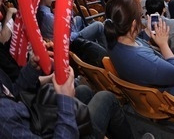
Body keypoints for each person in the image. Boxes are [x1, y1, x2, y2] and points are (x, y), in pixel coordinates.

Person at [0, 54, 134, 139]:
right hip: (55, 132)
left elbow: (13, 92)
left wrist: (31, 70)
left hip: (36, 119)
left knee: (83, 91)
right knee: (106, 98)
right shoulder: (3, 121)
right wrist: (66, 101)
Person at [104, 0, 174, 100]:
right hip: (167, 95)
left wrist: (147, 33)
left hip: (141, 77)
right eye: (140, 16)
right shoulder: (143, 59)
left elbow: (138, 44)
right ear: (134, 24)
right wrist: (163, 44)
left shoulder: (111, 38)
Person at [37, 0, 107, 48]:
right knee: (99, 26)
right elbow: (68, 31)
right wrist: (69, 8)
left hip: (64, 36)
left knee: (79, 18)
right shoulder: (48, 17)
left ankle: (93, 39)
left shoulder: (40, 11)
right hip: (71, 42)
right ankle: (103, 51)